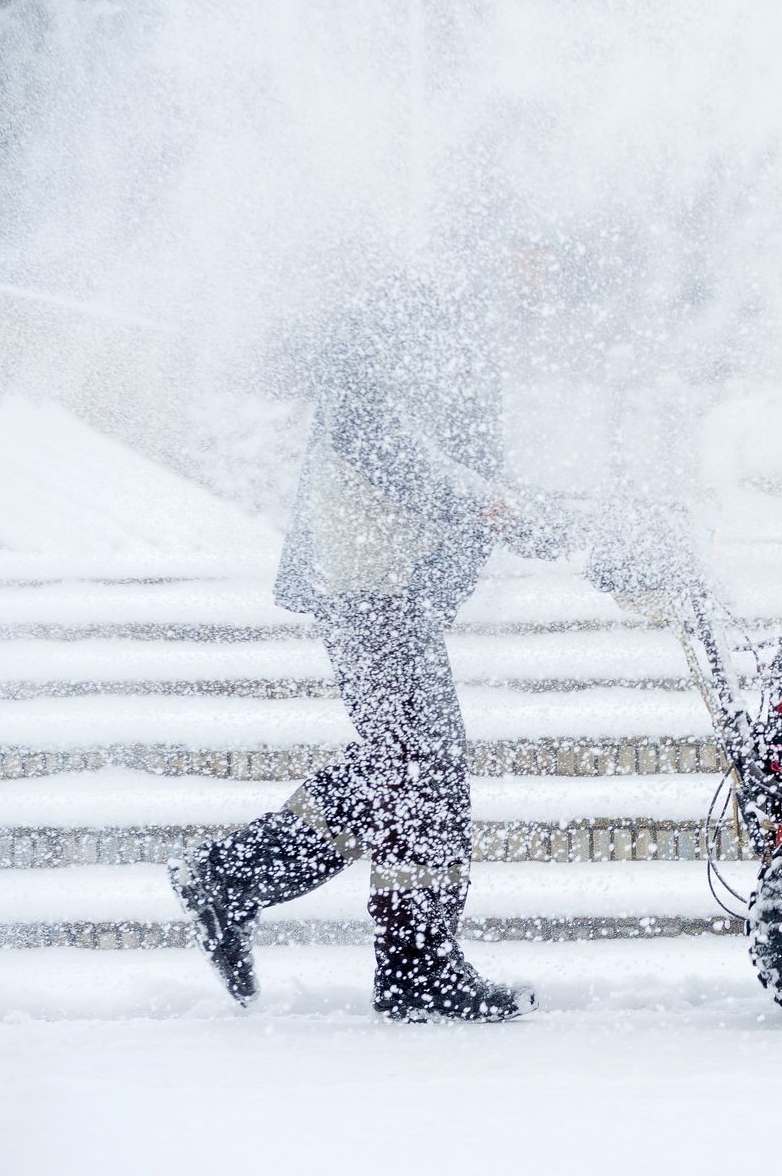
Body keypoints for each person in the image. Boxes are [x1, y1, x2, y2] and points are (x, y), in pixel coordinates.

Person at [169, 262, 600, 1022]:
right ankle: (407, 963)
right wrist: (481, 503)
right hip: (363, 578)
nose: (531, 280)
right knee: (418, 769)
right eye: (522, 261)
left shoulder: (462, 341)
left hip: (394, 587)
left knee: (408, 768)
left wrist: (551, 524)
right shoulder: (399, 311)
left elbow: (478, 478)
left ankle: (243, 883)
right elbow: (373, 437)